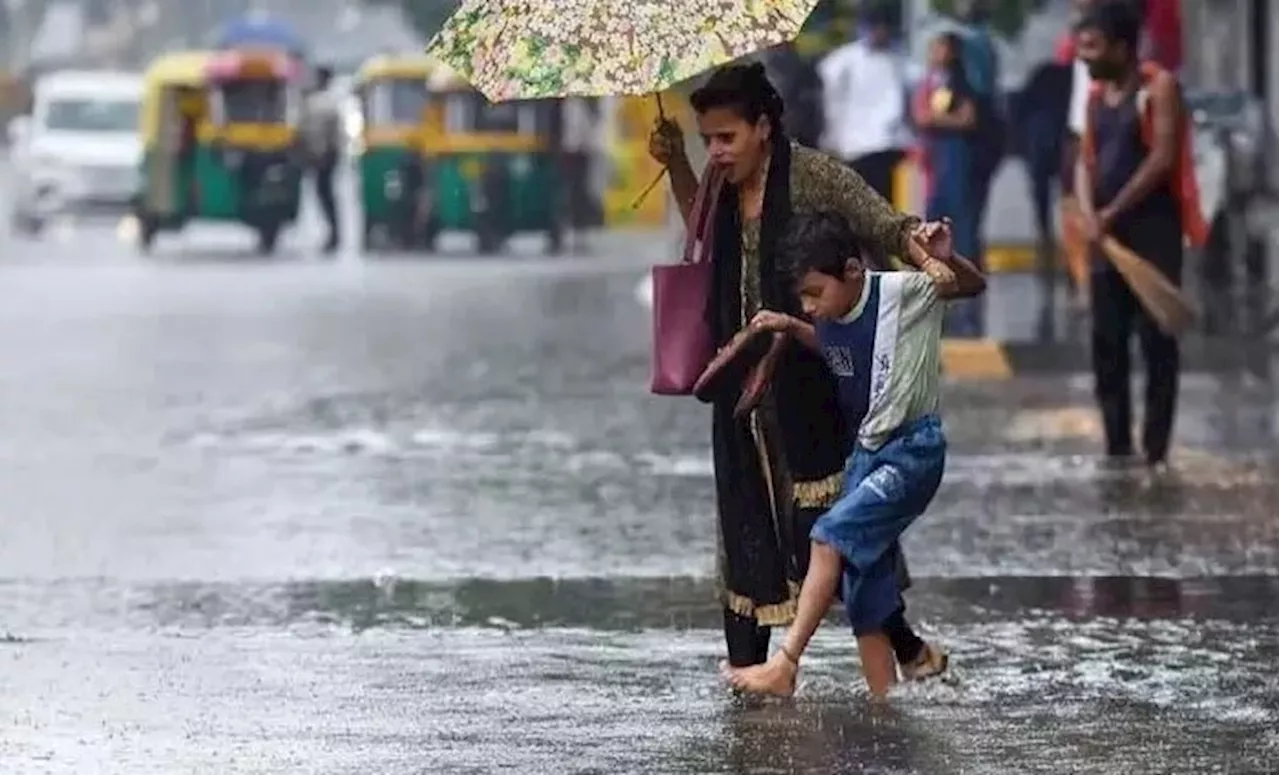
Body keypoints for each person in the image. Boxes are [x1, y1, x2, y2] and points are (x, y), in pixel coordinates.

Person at [647, 63, 953, 682]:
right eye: (707, 139)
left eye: (726, 137)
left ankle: (905, 647)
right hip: (739, 383)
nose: (717, 151)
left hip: (810, 379)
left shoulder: (813, 175)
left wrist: (926, 250)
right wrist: (679, 162)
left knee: (833, 531)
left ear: (764, 127)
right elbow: (701, 234)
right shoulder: (718, 182)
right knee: (743, 530)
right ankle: (749, 677)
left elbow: (881, 223)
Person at [723, 212, 985, 697]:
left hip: (911, 452)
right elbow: (834, 348)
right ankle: (885, 705)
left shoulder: (902, 293)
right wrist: (789, 324)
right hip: (867, 453)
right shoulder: (829, 314)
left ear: (851, 271)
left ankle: (785, 664)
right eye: (802, 298)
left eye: (813, 294)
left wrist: (947, 259)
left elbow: (969, 286)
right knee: (864, 588)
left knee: (828, 537)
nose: (810, 307)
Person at [1074, 1, 1207, 469]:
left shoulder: (1158, 87)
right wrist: (1091, 213)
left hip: (1152, 231)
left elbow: (1163, 158)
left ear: (1122, 47)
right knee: (1106, 342)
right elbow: (1085, 162)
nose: (1084, 57)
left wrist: (1111, 211)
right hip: (1106, 239)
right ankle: (1116, 448)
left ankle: (1155, 450)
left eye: (1092, 48)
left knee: (1156, 341)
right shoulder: (1094, 97)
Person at [914, 32, 981, 337]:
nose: (935, 52)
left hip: (957, 156)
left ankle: (964, 275)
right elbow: (919, 115)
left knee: (960, 218)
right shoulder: (930, 80)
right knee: (934, 216)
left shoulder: (959, 82)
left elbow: (967, 119)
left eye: (941, 47)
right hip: (936, 158)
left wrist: (935, 120)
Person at [816, 3, 911, 201]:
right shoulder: (844, 60)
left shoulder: (899, 60)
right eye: (876, 26)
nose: (880, 32)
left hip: (890, 143)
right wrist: (831, 137)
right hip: (856, 145)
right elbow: (831, 98)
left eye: (884, 27)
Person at [303, 65, 342, 253]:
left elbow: (333, 135)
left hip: (324, 156)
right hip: (318, 155)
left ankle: (334, 235)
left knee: (325, 196)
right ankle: (333, 234)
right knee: (323, 195)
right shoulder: (316, 100)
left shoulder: (326, 102)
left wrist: (328, 154)